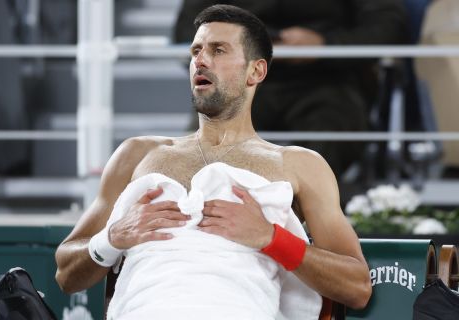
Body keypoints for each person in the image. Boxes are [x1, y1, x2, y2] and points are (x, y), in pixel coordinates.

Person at [55, 5, 371, 320]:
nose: (200, 61)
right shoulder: (138, 154)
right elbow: (66, 275)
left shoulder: (298, 164)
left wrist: (271, 238)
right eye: (196, 51)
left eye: (218, 50)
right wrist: (112, 238)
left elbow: (357, 287)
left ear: (256, 71)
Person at [174, 0, 409, 178]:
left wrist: (325, 45)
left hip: (328, 79)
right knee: (209, 138)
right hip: (243, 79)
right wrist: (249, 45)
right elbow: (187, 32)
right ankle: (207, 215)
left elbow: (389, 25)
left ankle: (303, 218)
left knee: (331, 129)